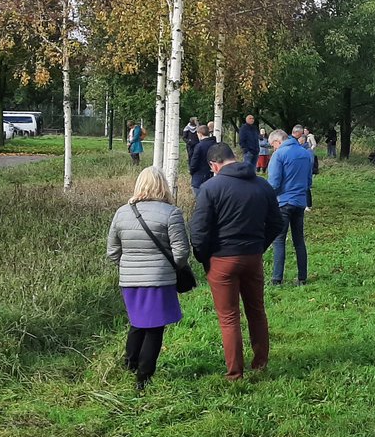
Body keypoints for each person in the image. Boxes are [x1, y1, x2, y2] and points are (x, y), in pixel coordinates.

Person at [190, 143, 284, 381]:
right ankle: (260, 364)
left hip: (222, 259)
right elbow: (277, 223)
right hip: (252, 256)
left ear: (213, 165)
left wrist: (204, 258)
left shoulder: (210, 188)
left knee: (229, 317)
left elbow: (199, 232)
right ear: (234, 157)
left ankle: (235, 373)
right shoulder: (262, 185)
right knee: (257, 311)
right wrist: (259, 246)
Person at [106, 167, 188, 391]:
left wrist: (128, 267)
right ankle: (143, 377)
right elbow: (181, 252)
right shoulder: (171, 213)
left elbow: (112, 252)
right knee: (155, 328)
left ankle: (129, 364)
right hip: (159, 279)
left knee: (137, 322)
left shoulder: (122, 213)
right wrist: (170, 268)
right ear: (163, 186)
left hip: (129, 280)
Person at [267, 127, 313, 286]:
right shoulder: (305, 153)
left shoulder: (279, 155)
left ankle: (277, 279)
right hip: (300, 202)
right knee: (299, 240)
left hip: (283, 202)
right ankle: (302, 277)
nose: (273, 148)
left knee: (279, 240)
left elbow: (274, 183)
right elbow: (309, 181)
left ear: (277, 141)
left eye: (273, 145)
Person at [188, 124, 215, 194]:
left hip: (199, 177)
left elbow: (194, 161)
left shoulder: (199, 146)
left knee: (199, 196)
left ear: (200, 134)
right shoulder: (214, 144)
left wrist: (191, 171)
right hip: (212, 175)